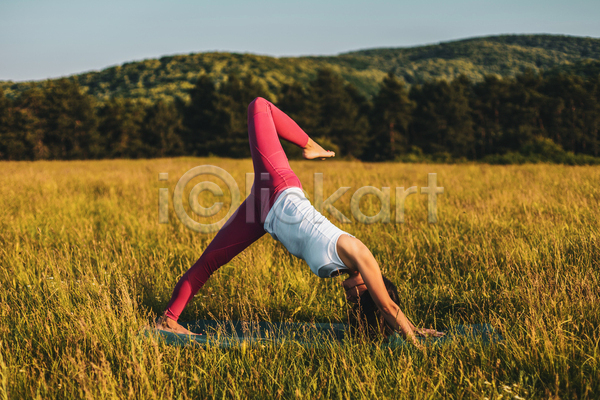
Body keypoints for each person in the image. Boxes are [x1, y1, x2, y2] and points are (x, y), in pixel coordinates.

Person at [156, 97, 444, 344]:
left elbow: (386, 309)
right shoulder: (358, 253)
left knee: (210, 261)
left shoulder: (339, 270)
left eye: (352, 304)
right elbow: (387, 305)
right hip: (280, 189)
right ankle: (311, 145)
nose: (349, 299)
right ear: (367, 285)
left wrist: (412, 328)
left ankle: (168, 320)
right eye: (357, 298)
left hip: (264, 214)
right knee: (259, 105)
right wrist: (416, 342)